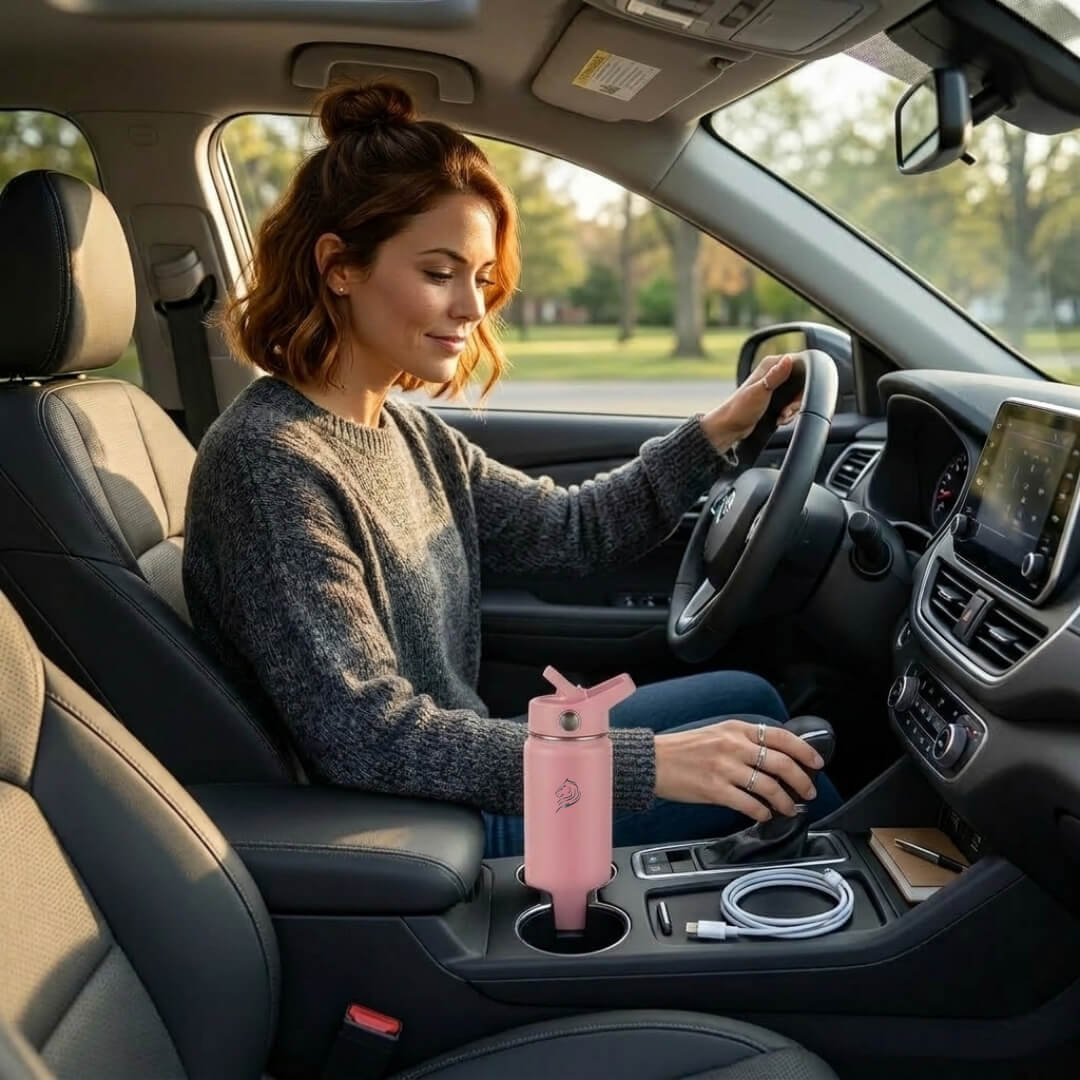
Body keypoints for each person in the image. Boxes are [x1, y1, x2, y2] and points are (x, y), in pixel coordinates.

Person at [182, 80, 841, 860]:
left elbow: (570, 532)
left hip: (462, 768)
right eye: (438, 272)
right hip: (418, 820)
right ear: (339, 267)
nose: (472, 307)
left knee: (749, 703)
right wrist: (645, 767)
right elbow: (368, 739)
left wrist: (718, 431)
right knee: (775, 759)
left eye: (482, 277)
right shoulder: (270, 465)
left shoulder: (407, 432)